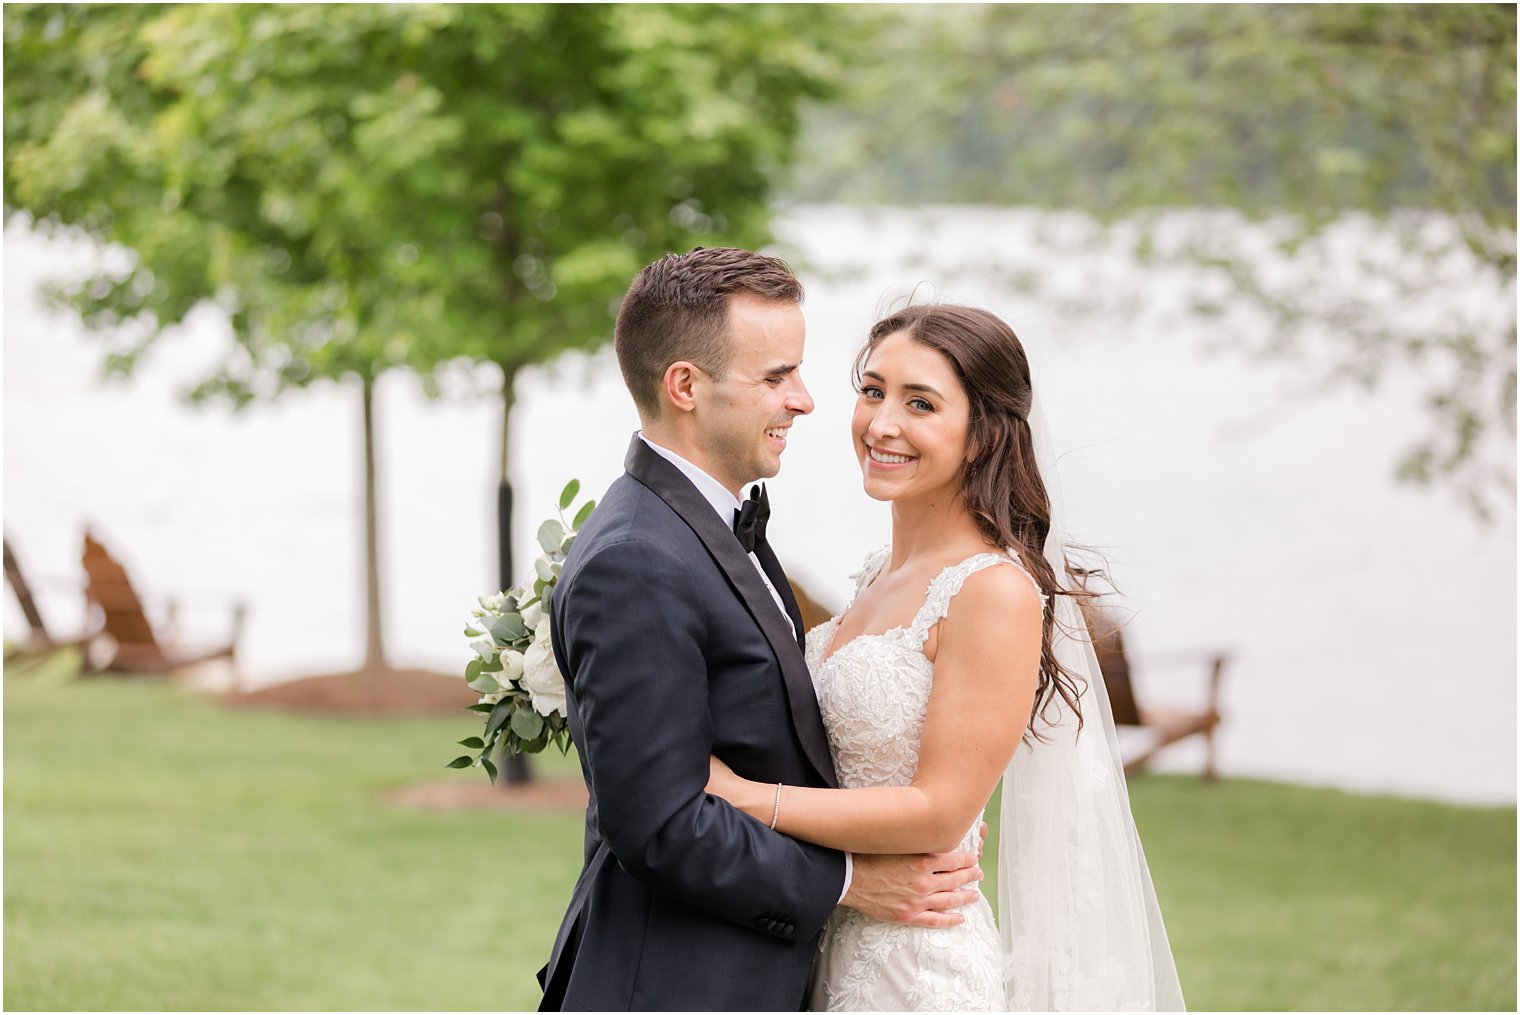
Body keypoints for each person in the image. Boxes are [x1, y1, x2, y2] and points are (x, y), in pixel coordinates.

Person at [536, 249, 987, 1012]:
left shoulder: (706, 524)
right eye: (777, 376)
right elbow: (660, 824)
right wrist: (847, 880)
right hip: (679, 985)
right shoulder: (637, 559)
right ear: (686, 386)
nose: (805, 400)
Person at [705, 303, 1186, 1011]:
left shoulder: (992, 590)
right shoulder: (878, 574)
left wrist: (745, 799)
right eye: (872, 391)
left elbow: (938, 811)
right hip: (831, 935)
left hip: (916, 967)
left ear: (982, 435)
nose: (882, 423)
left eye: (920, 403)